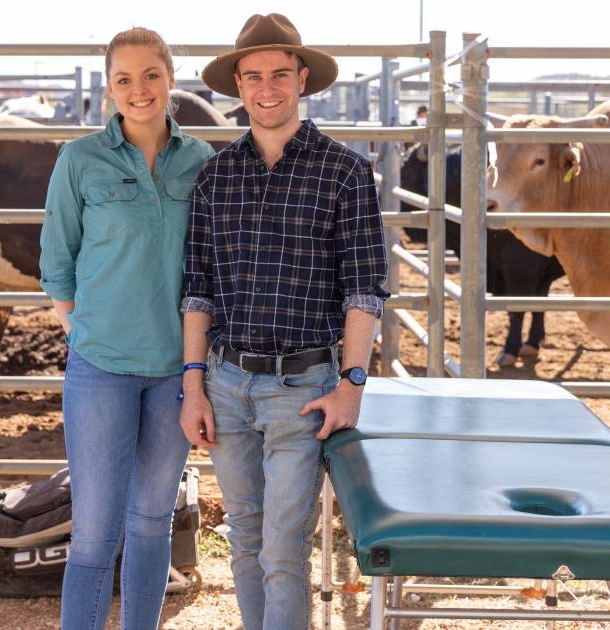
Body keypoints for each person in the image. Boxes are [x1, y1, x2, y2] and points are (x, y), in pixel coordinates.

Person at [178, 13, 389, 629]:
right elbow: (198, 287)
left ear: (301, 78)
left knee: (282, 548)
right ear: (238, 87)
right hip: (226, 381)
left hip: (303, 388)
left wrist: (351, 382)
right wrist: (194, 385)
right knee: (244, 537)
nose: (265, 88)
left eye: (278, 74)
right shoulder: (216, 176)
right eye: (252, 76)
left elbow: (364, 288)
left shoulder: (344, 171)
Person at [38, 26, 216, 630]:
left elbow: (212, 266)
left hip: (176, 372)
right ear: (109, 89)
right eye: (124, 79)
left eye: (150, 75)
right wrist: (87, 335)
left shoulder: (201, 162)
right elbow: (57, 263)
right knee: (94, 531)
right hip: (100, 370)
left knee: (150, 521)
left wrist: (196, 368)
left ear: (170, 78)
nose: (138, 90)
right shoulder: (80, 159)